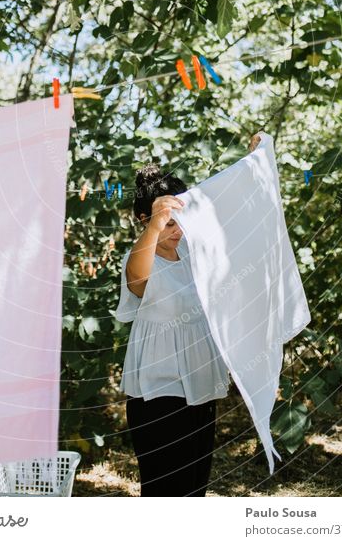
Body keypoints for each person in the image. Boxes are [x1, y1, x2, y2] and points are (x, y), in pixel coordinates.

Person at [115, 134, 262, 497]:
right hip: (158, 393)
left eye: (179, 220)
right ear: (143, 220)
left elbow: (236, 220)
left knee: (195, 490)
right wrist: (155, 224)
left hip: (199, 389)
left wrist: (255, 160)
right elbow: (137, 280)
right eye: (166, 224)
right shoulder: (139, 259)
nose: (176, 230)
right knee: (165, 492)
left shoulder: (193, 255)